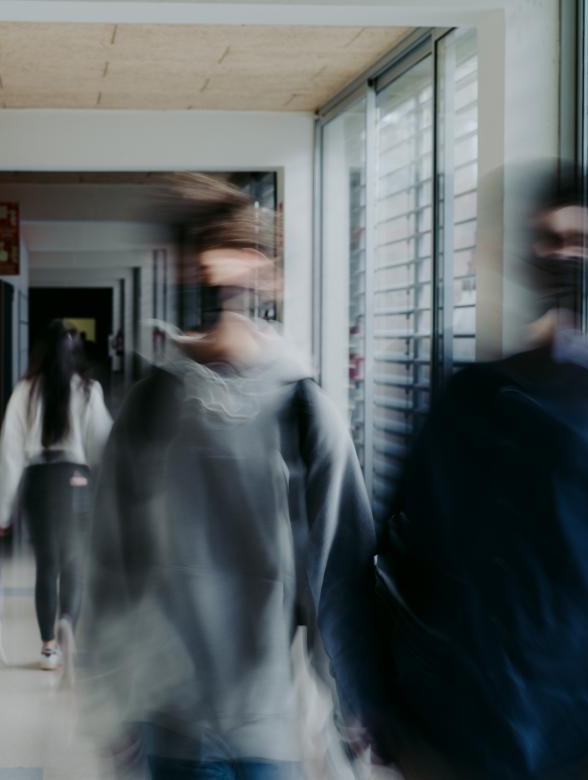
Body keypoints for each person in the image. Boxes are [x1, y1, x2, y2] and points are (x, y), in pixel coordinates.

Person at [375, 164, 588, 779]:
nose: (563, 256)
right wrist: (390, 704)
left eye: (580, 240)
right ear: (523, 253)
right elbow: (397, 547)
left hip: (576, 737)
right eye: (549, 239)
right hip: (455, 731)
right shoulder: (465, 399)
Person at [79, 174, 387, 780]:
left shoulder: (302, 410)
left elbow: (341, 573)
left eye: (234, 259)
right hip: (173, 720)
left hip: (264, 722)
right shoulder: (150, 409)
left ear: (265, 273)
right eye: (204, 261)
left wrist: (354, 701)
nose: (219, 279)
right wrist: (113, 700)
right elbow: (111, 565)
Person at [0, 319, 113, 671]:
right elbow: (102, 446)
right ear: (76, 354)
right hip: (76, 478)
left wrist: (1, 511)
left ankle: (47, 648)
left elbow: (10, 454)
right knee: (74, 563)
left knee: (47, 565)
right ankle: (68, 626)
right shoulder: (89, 390)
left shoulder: (25, 391)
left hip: (40, 480)